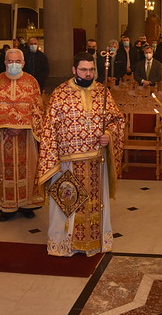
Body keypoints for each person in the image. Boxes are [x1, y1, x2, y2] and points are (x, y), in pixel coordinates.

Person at [37, 52, 125, 257]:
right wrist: (52, 160)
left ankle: (94, 242)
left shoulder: (102, 92)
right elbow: (48, 128)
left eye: (91, 70)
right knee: (68, 204)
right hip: (68, 162)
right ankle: (64, 244)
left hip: (95, 161)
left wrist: (109, 135)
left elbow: (117, 120)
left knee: (94, 204)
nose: (88, 74)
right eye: (84, 70)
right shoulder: (60, 93)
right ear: (74, 70)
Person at [0, 48, 45, 222]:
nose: (13, 64)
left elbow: (38, 108)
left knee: (28, 169)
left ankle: (27, 205)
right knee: (3, 170)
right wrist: (2, 126)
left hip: (27, 135)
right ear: (5, 63)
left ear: (23, 63)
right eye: (10, 61)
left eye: (17, 61)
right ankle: (6, 207)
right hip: (2, 136)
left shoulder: (32, 82)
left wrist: (24, 126)